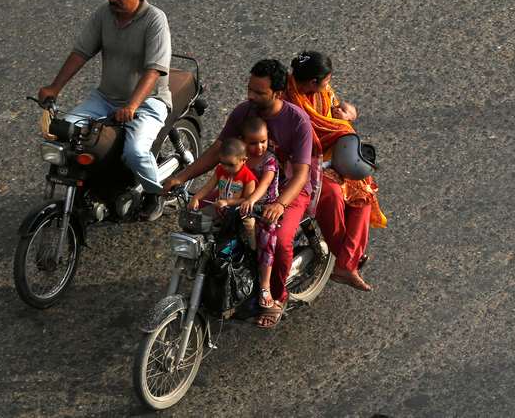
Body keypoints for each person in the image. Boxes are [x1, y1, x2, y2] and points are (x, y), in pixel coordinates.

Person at [164, 59, 313, 328]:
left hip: (286, 190)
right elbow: (217, 152)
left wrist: (279, 204)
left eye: (259, 92)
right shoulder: (243, 113)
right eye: (250, 89)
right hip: (239, 184)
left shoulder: (297, 121)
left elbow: (302, 173)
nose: (250, 96)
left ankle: (275, 296)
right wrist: (181, 178)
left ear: (278, 93)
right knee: (201, 219)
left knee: (278, 240)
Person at [37, 0, 171, 220]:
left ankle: (155, 194)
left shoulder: (155, 19)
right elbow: (81, 53)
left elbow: (153, 71)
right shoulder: (103, 15)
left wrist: (132, 105)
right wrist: (55, 87)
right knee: (64, 130)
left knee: (135, 152)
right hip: (105, 98)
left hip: (147, 103)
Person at [285, 51, 387, 291]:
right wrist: (342, 126)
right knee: (330, 194)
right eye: (326, 81)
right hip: (301, 162)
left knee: (363, 190)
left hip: (330, 156)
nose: (328, 85)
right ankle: (347, 261)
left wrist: (348, 115)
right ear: (312, 82)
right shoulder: (287, 101)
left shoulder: (319, 92)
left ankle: (345, 263)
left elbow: (342, 108)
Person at [238, 117, 280, 309]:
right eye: (253, 143)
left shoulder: (269, 160)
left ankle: (265, 285)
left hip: (265, 209)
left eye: (263, 141)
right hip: (244, 205)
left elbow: (264, 184)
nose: (259, 147)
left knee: (266, 239)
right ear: (243, 142)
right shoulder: (241, 159)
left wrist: (252, 199)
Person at [187, 138, 257, 244]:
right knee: (198, 218)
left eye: (231, 164)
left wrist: (228, 202)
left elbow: (246, 199)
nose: (226, 168)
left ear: (243, 160)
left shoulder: (248, 177)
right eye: (223, 163)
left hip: (238, 211)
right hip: (219, 207)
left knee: (250, 226)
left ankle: (253, 249)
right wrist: (196, 197)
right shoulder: (220, 170)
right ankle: (205, 242)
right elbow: (208, 187)